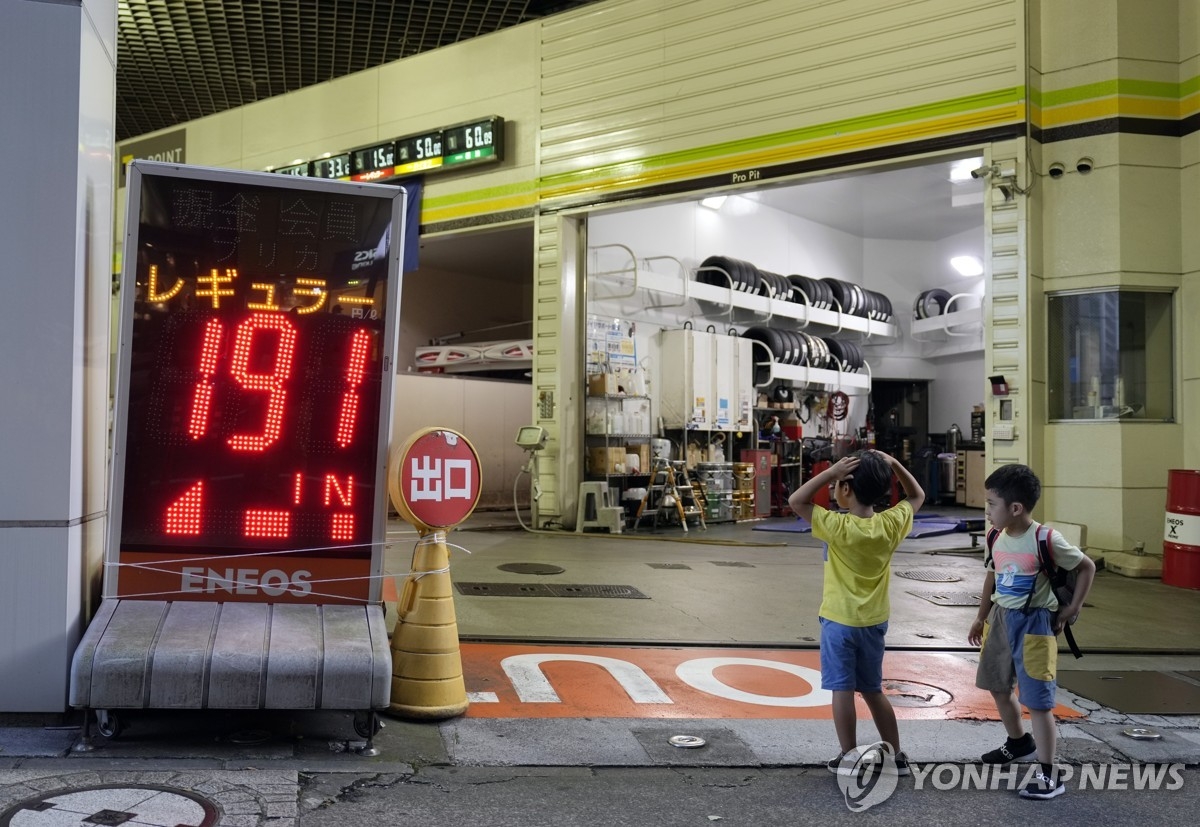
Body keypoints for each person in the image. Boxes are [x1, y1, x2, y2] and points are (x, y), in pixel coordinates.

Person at [788, 449, 925, 776]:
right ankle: (897, 756)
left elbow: (797, 500)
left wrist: (829, 471)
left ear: (845, 489)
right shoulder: (891, 524)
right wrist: (894, 465)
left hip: (839, 622)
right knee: (873, 690)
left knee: (842, 690)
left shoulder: (836, 526)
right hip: (873, 624)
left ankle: (848, 756)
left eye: (837, 484)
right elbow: (916, 495)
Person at [967, 463, 1096, 800]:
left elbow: (1086, 567)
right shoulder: (995, 535)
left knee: (1038, 702)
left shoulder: (1045, 539)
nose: (988, 510)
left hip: (1035, 625)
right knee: (996, 685)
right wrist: (981, 617)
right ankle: (1018, 742)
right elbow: (992, 575)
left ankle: (1050, 774)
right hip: (1000, 620)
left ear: (1015, 508)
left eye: (991, 504)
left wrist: (1073, 607)